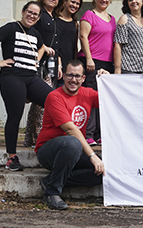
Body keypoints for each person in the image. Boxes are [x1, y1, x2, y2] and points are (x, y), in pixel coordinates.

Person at [0, 1, 52, 171]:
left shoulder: (36, 33)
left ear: (38, 17)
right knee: (15, 115)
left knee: (55, 101)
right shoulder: (11, 27)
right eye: (29, 12)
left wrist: (36, 59)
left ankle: (50, 143)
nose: (32, 16)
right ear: (23, 12)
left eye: (35, 14)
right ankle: (11, 157)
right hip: (12, 77)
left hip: (32, 77)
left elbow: (41, 47)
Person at [35, 60, 107, 210]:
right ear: (64, 77)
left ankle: (51, 180)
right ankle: (51, 192)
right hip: (49, 151)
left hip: (74, 151)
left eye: (77, 76)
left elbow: (111, 99)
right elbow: (70, 130)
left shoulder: (87, 93)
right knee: (72, 141)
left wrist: (108, 80)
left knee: (105, 171)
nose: (73, 80)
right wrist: (93, 155)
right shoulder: (54, 97)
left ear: (83, 78)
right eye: (70, 75)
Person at [24, 0, 65, 148]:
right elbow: (30, 34)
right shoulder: (38, 13)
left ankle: (32, 138)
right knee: (42, 101)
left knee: (42, 102)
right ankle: (35, 138)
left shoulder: (54, 17)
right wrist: (42, 47)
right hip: (39, 63)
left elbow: (57, 45)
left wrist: (59, 64)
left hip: (52, 65)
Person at [78, 0, 116, 145]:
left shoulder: (113, 18)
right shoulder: (89, 14)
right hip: (91, 62)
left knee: (103, 100)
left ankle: (101, 133)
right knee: (90, 99)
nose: (104, 0)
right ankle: (89, 134)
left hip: (107, 64)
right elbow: (83, 36)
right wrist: (88, 59)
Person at [113, 0, 143, 75]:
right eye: (130, 0)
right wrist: (117, 68)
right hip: (128, 68)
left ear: (142, 1)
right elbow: (118, 45)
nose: (133, 1)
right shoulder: (125, 19)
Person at [57, 0, 82, 74]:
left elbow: (74, 45)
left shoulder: (75, 23)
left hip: (69, 61)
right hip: (56, 60)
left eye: (77, 4)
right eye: (72, 2)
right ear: (65, 1)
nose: (74, 5)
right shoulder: (55, 18)